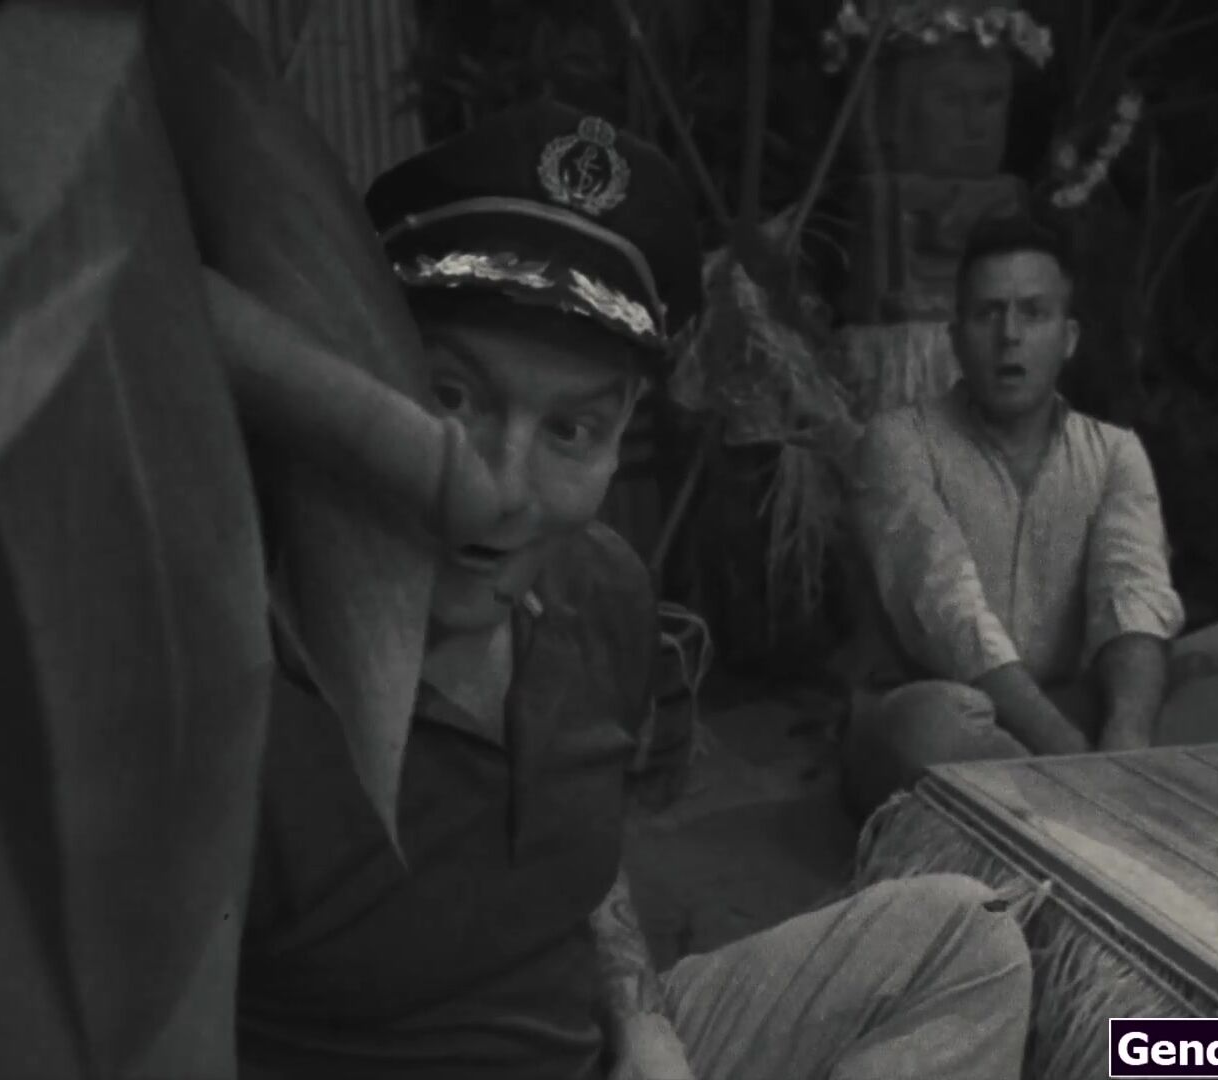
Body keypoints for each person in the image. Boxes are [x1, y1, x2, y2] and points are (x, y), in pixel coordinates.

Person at [236, 101, 1034, 1080]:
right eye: (451, 397)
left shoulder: (599, 590)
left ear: (619, 440)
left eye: (569, 429)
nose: (495, 488)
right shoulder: (238, 667)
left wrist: (641, 1020)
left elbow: (583, 853)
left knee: (967, 943)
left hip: (596, 1051)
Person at [841, 212, 1198, 816]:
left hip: (1072, 709)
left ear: (1069, 337)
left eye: (1033, 313)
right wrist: (1077, 761)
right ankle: (1080, 817)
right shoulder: (899, 443)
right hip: (945, 712)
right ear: (955, 338)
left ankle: (1058, 814)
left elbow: (1133, 591)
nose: (1009, 335)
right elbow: (948, 611)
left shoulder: (1114, 452)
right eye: (988, 313)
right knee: (929, 728)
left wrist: (1125, 742)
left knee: (1199, 668)